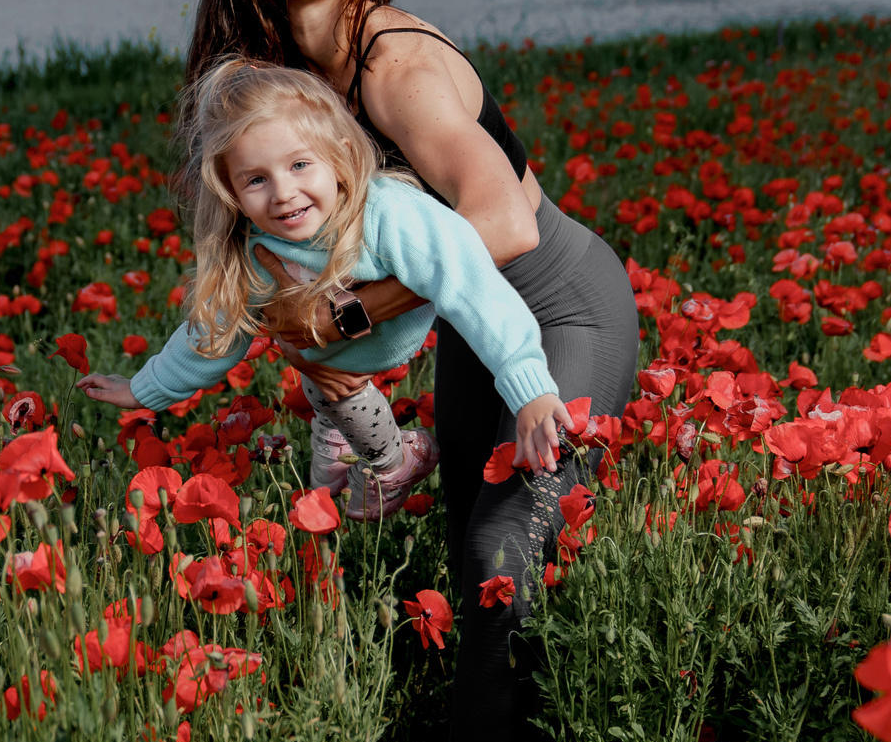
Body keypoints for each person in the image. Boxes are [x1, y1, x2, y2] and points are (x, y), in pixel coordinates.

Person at [184, 0, 641, 742]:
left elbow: (500, 221)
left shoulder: (393, 64)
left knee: (498, 577)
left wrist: (339, 317)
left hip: (559, 312)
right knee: (473, 578)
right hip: (473, 332)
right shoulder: (288, 70)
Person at [77, 62, 570, 519]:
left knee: (339, 386)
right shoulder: (253, 248)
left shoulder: (390, 216)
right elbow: (213, 333)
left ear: (339, 156)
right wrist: (142, 389)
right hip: (322, 352)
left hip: (386, 337)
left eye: (298, 165)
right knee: (318, 428)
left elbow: (472, 287)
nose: (283, 193)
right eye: (255, 180)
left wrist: (528, 387)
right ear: (229, 191)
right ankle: (334, 432)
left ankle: (400, 458)